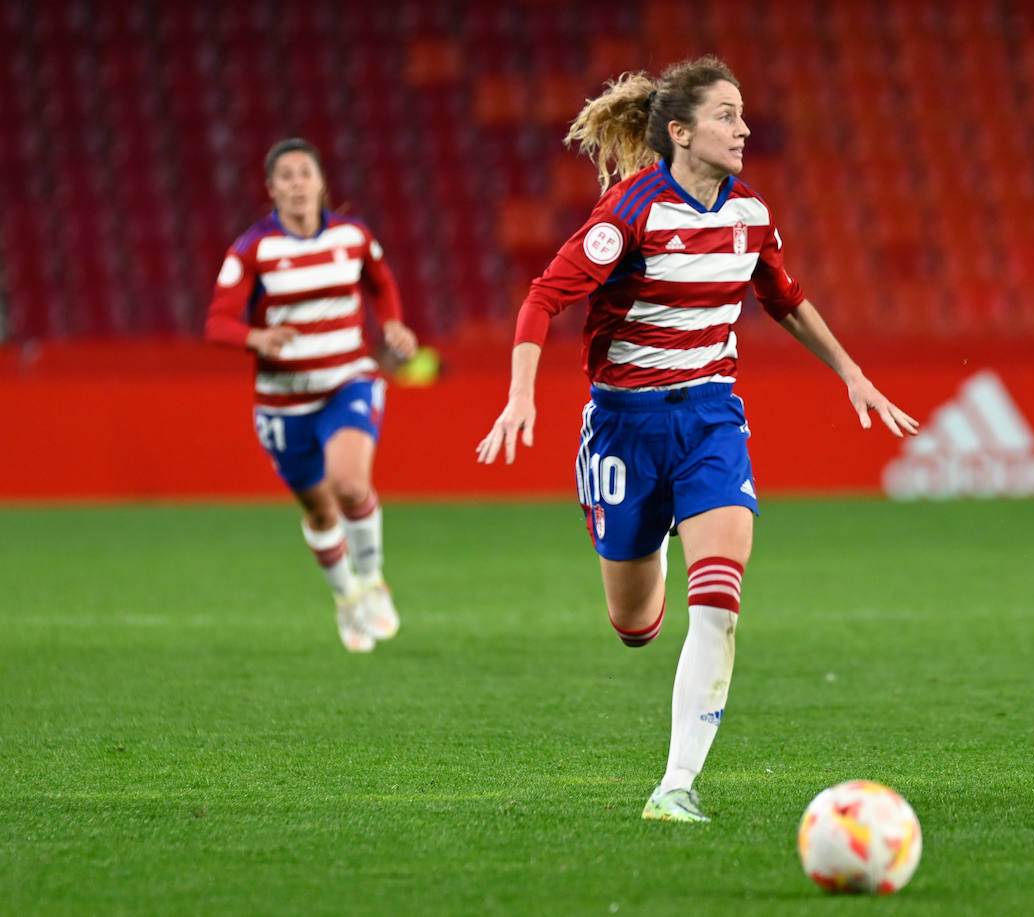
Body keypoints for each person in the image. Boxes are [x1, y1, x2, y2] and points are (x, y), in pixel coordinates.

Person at [476, 56, 918, 822]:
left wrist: (851, 371)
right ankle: (630, 569)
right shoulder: (632, 214)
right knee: (636, 625)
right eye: (725, 114)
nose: (743, 127)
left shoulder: (749, 213)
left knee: (718, 597)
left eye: (742, 113)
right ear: (680, 132)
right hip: (624, 427)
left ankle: (674, 784)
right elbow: (544, 297)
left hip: (712, 417)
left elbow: (785, 297)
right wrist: (520, 396)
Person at [205, 138, 418, 653]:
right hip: (284, 402)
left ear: (322, 182)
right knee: (320, 511)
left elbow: (381, 282)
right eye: (286, 176)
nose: (297, 184)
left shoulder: (353, 236)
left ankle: (371, 581)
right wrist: (256, 337)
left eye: (305, 173)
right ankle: (346, 597)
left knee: (349, 485)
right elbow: (216, 322)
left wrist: (392, 325)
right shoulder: (254, 250)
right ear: (272, 188)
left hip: (347, 380)